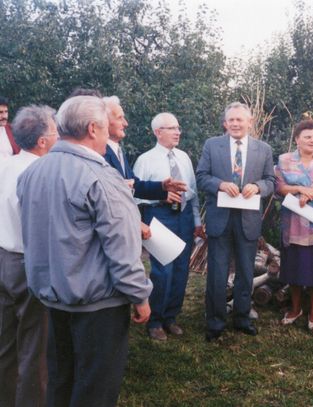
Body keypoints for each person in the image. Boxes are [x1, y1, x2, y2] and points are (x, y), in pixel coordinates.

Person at [17, 96, 152, 407]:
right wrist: (140, 296)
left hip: (53, 300)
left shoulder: (33, 172)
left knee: (60, 383)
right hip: (97, 308)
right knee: (94, 393)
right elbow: (122, 250)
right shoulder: (101, 177)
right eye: (105, 128)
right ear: (93, 129)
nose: (107, 136)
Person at [196, 102, 275, 341]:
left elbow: (271, 182)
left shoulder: (263, 149)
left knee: (246, 272)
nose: (235, 124)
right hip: (220, 219)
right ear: (225, 123)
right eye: (231, 120)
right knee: (217, 273)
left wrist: (258, 187)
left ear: (250, 122)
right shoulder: (212, 145)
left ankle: (242, 318)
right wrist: (220, 184)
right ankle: (215, 322)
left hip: (248, 220)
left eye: (240, 120)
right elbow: (201, 177)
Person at [0, 105, 58, 407]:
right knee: (35, 348)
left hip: (4, 260)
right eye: (56, 132)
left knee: (6, 343)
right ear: (42, 141)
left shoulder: (6, 165)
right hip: (28, 263)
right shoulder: (40, 173)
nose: (60, 137)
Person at [133, 112, 204, 341]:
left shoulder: (183, 157)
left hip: (183, 216)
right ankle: (155, 321)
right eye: (171, 128)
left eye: (178, 128)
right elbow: (133, 196)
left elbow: (193, 193)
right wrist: (161, 196)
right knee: (163, 271)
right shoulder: (145, 160)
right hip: (160, 216)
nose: (177, 132)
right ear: (158, 132)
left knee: (182, 269)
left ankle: (171, 317)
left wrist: (196, 221)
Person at [275, 120, 313, 331]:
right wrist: (299, 190)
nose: (312, 140)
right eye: (307, 137)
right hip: (292, 222)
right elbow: (279, 187)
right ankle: (295, 309)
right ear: (297, 139)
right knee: (293, 267)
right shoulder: (284, 159)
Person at [102, 96, 186, 242]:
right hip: (112, 231)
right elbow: (108, 198)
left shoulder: (117, 150)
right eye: (120, 118)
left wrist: (162, 187)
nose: (126, 123)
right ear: (104, 121)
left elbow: (135, 185)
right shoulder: (100, 153)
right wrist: (137, 222)